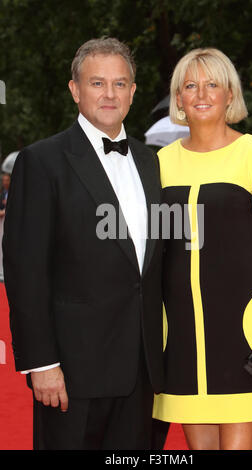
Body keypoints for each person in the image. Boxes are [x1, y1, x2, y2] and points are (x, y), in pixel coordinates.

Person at [3, 37, 164, 450]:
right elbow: (26, 270)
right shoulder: (41, 162)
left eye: (119, 83)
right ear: (75, 90)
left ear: (133, 91)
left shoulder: (151, 163)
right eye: (97, 83)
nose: (109, 94)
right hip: (73, 372)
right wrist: (41, 362)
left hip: (145, 370)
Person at [152, 47, 252, 450]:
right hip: (179, 333)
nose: (202, 93)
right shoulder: (161, 164)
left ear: (229, 94)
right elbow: (154, 251)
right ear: (178, 98)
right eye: (190, 85)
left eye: (212, 84)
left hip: (242, 329)